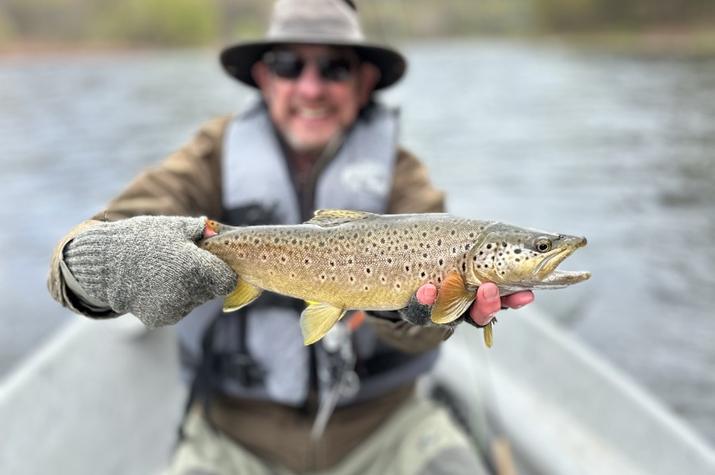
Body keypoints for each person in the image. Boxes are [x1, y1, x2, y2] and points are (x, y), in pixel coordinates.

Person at [47, 1, 533, 474]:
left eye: (334, 68)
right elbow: (73, 256)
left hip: (384, 428)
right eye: (288, 64)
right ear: (263, 76)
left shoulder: (404, 176)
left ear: (364, 82)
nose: (311, 87)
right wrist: (102, 261)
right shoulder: (210, 156)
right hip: (234, 434)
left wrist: (414, 316)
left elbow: (424, 335)